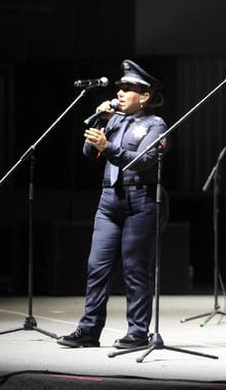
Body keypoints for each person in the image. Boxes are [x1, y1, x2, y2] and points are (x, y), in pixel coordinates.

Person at [57, 59, 168, 348]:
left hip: (141, 200)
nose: (120, 92)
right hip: (110, 201)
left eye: (128, 88)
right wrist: (98, 121)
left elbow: (143, 161)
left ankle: (138, 331)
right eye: (120, 87)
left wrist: (108, 146)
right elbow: (87, 152)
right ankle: (89, 330)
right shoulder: (114, 119)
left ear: (144, 96)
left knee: (135, 268)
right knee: (97, 266)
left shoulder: (155, 124)